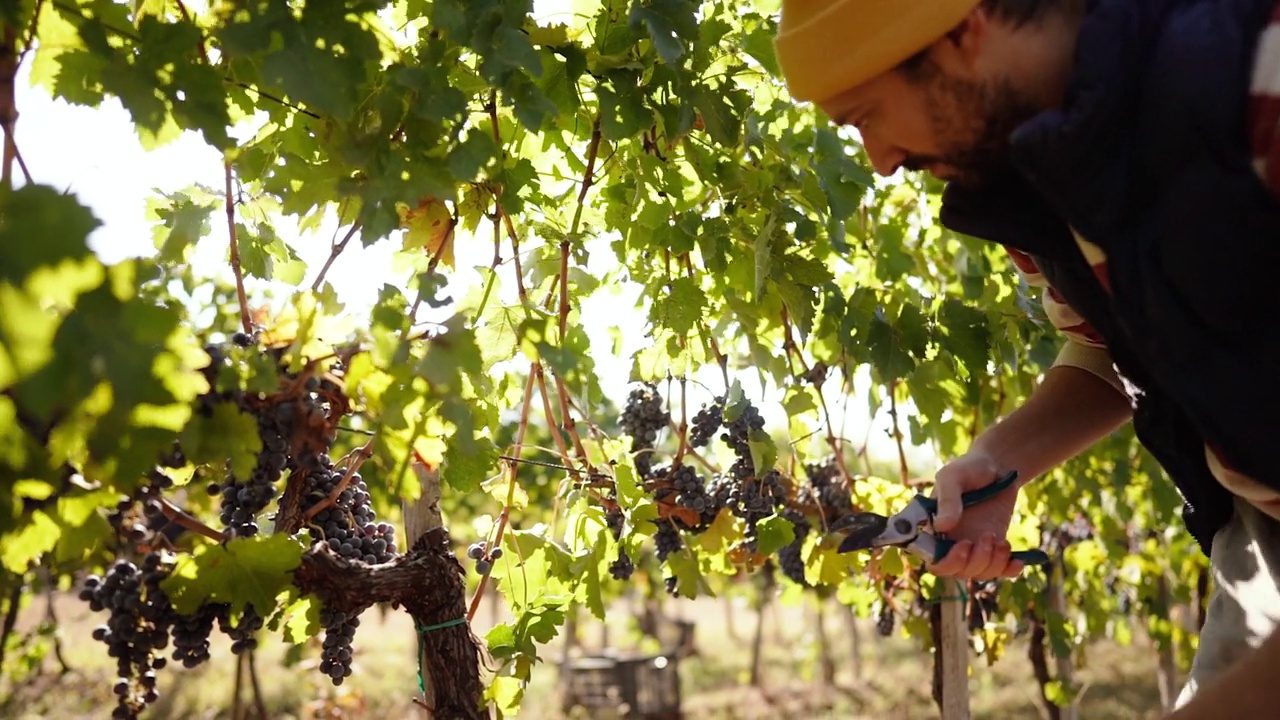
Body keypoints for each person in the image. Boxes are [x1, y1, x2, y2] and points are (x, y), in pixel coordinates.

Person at [774, 0, 1280, 715]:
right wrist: (1003, 459)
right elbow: (1111, 351)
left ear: (962, 34)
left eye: (865, 117)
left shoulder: (1257, 79)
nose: (880, 163)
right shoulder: (1035, 188)